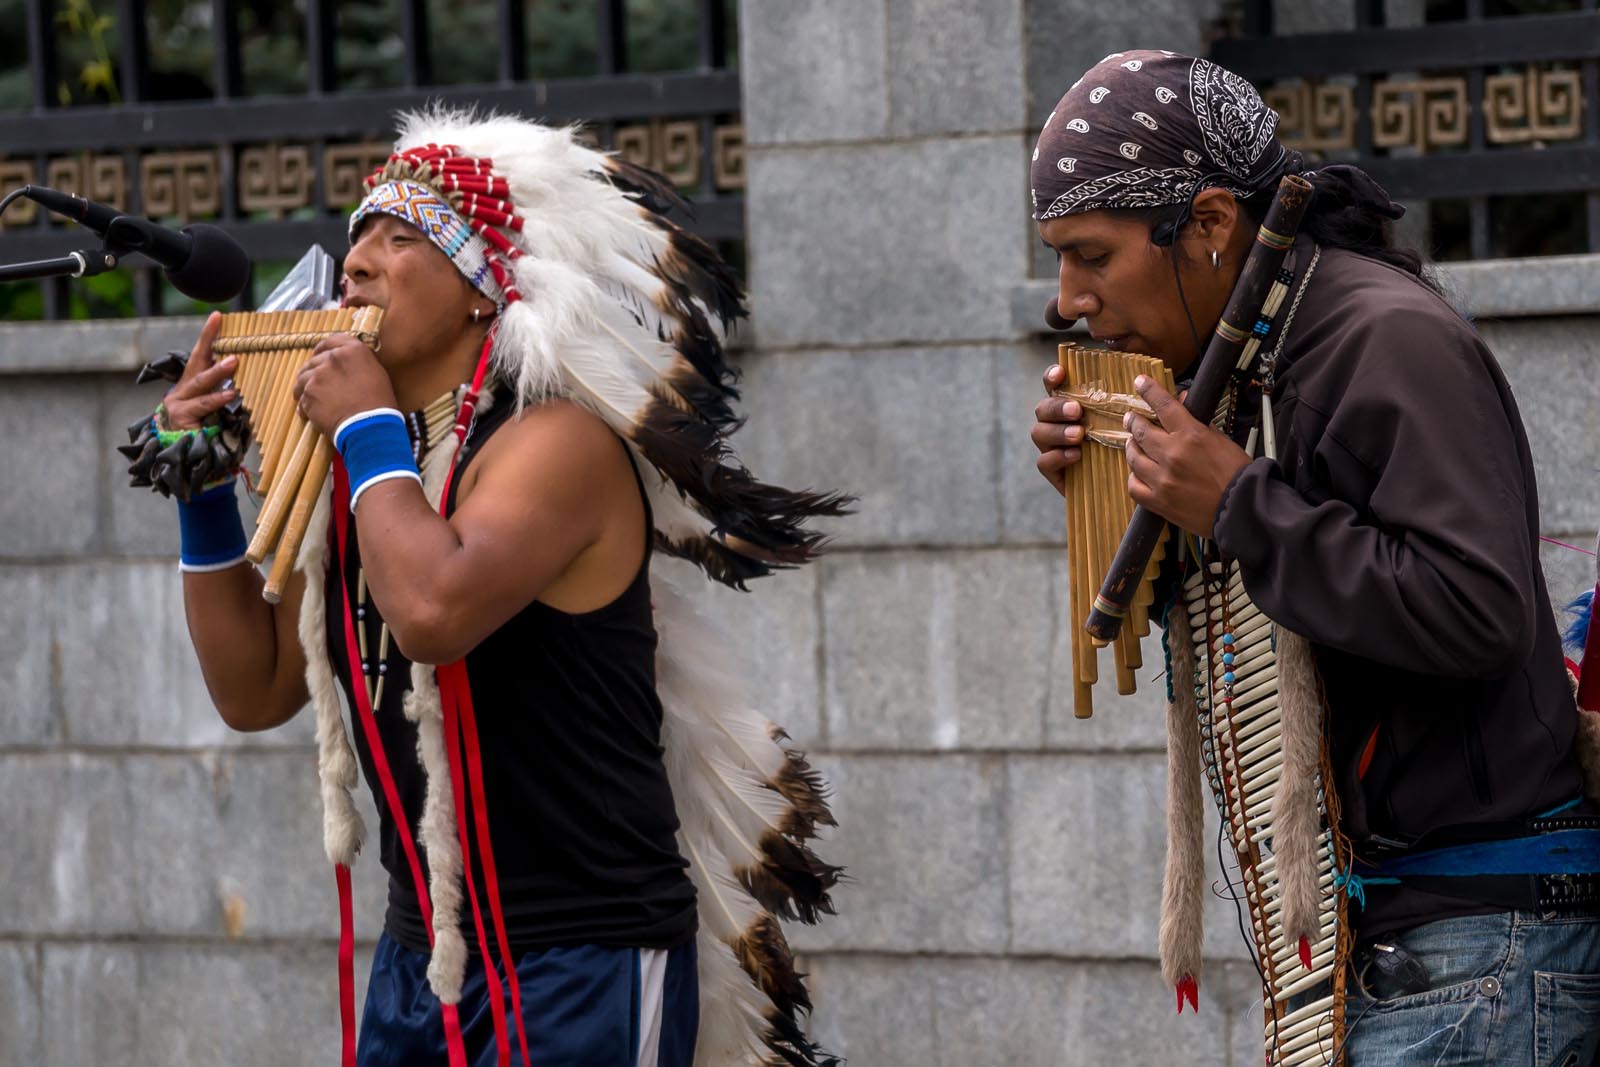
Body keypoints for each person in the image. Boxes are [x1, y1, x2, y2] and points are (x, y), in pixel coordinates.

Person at [140, 109, 845, 1067]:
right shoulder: (365, 464)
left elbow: (433, 612)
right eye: (357, 238)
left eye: (403, 238)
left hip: (579, 958)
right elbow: (254, 689)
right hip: (421, 956)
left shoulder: (557, 443)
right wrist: (203, 494)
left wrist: (365, 432)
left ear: (485, 289)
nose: (358, 262)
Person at [1028, 49, 1600, 1065]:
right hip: (1403, 939)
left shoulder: (1385, 338)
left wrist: (1238, 501)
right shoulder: (1255, 357)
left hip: (1482, 940)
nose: (1067, 298)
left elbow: (1477, 609)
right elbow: (1284, 606)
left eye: (1091, 256)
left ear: (1208, 222)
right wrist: (1142, 498)